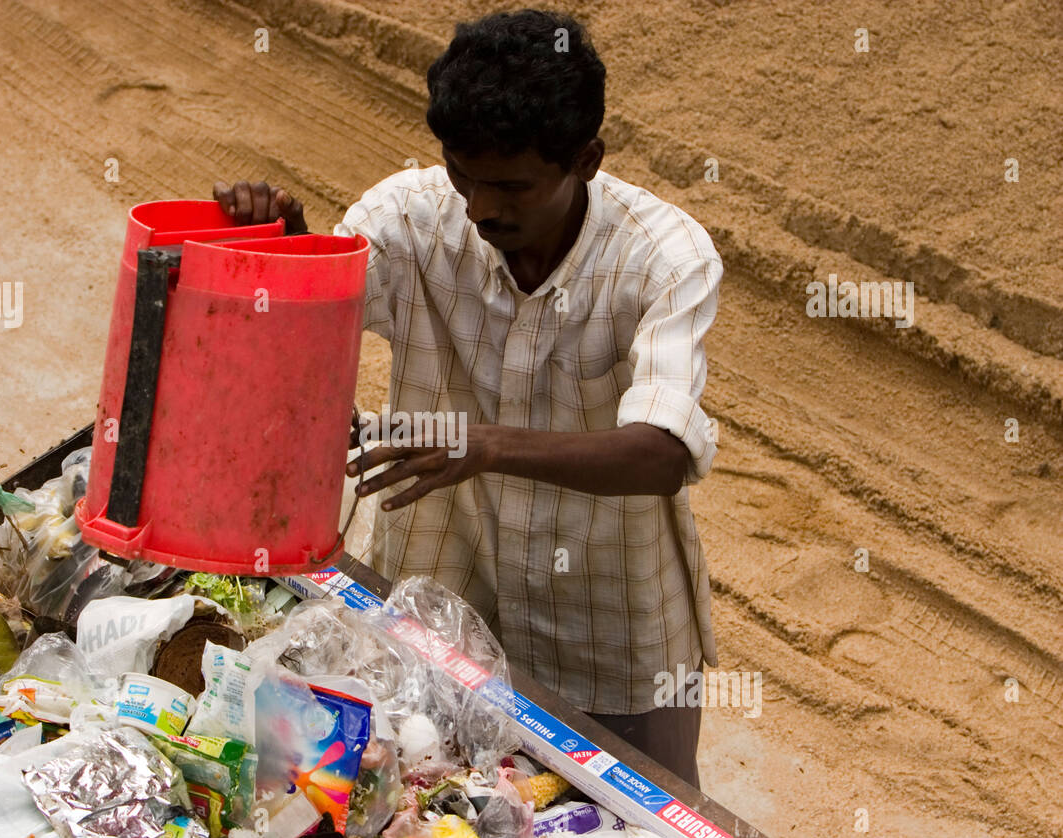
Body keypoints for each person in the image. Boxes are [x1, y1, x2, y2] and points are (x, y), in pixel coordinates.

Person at [213, 8, 720, 788]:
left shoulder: (665, 258)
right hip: (441, 612)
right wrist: (288, 249)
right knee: (430, 801)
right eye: (463, 174)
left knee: (644, 822)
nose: (481, 207)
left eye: (512, 186)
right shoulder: (410, 218)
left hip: (613, 634)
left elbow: (660, 453)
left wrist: (480, 444)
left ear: (586, 160)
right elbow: (319, 324)